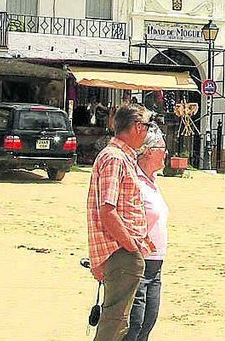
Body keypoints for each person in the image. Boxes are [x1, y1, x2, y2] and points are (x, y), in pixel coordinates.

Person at [87, 103, 156, 341]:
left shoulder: (119, 156)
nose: (148, 132)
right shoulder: (115, 158)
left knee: (117, 323)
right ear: (137, 127)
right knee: (114, 324)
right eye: (147, 126)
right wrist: (131, 245)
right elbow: (108, 210)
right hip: (120, 251)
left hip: (121, 250)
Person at [126, 125, 170, 341]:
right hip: (138, 261)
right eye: (163, 148)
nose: (167, 154)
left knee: (148, 321)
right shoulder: (134, 181)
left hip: (156, 264)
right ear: (150, 151)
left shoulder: (152, 182)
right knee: (134, 324)